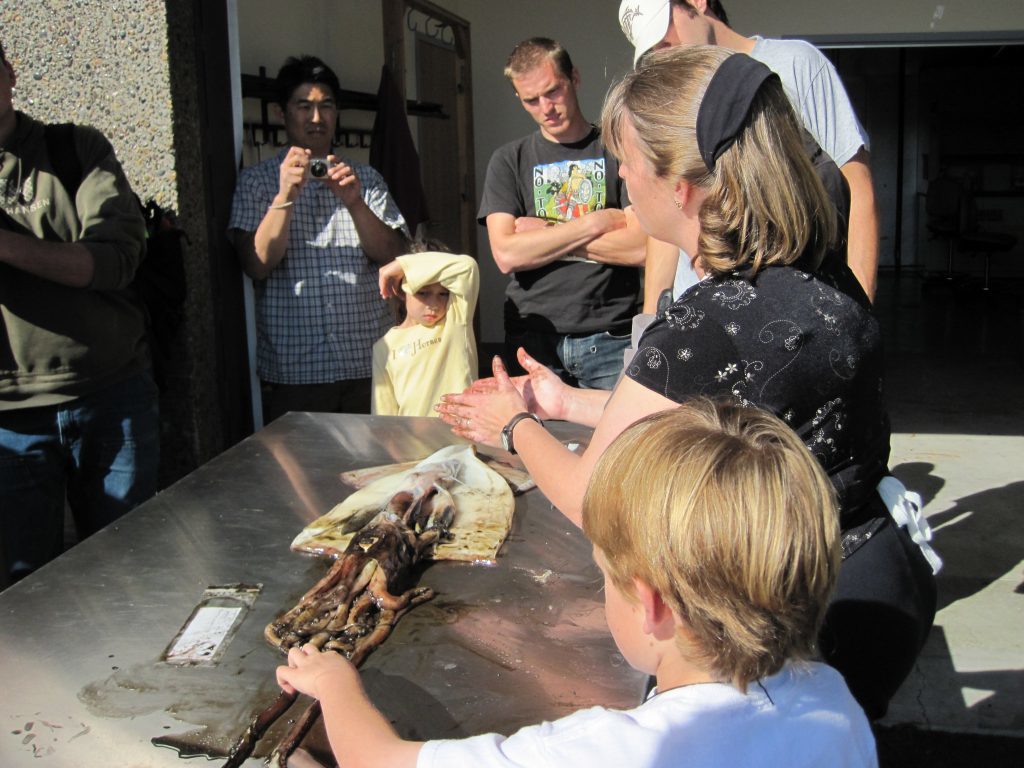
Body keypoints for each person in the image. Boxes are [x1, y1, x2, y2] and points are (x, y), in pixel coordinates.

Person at [439, 46, 935, 720]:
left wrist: (514, 426)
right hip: (878, 580)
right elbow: (716, 408)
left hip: (788, 629)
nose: (620, 176)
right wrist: (564, 403)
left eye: (629, 162)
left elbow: (601, 502)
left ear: (680, 189)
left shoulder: (707, 324)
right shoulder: (818, 271)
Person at [276, 401, 878, 768]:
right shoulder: (834, 702)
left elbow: (381, 761)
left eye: (605, 574)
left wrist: (335, 687)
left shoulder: (612, 751)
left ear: (652, 605)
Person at [0, 39, 158, 585]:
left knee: (130, 574)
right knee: (23, 597)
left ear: (10, 72)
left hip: (111, 397)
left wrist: (6, 245)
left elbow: (115, 261)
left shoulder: (74, 149)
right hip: (8, 420)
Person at [618, 0, 878, 303]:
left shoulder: (795, 63)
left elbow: (858, 187)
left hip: (791, 304)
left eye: (665, 35)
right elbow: (668, 213)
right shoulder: (673, 99)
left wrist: (859, 308)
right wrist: (652, 318)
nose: (665, 51)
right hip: (699, 313)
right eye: (652, 50)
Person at [229, 55, 409, 422]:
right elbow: (256, 265)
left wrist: (355, 202)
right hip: (296, 371)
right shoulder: (258, 181)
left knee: (377, 469)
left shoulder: (365, 179)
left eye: (326, 106)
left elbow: (394, 255)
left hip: (367, 362)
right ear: (281, 113)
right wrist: (284, 197)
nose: (316, 117)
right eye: (304, 106)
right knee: (302, 478)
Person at [478, 37, 645, 390]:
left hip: (611, 336)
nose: (546, 108)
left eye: (553, 91)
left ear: (575, 78)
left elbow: (641, 247)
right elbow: (507, 254)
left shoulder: (617, 148)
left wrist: (545, 234)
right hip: (534, 340)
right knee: (535, 440)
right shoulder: (509, 160)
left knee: (615, 444)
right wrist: (595, 222)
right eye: (531, 100)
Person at [372, 245, 479, 417]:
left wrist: (402, 265)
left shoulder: (456, 320)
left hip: (459, 438)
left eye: (443, 294)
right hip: (410, 441)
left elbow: (467, 266)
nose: (434, 305)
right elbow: (383, 415)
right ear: (401, 291)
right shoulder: (383, 347)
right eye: (423, 293)